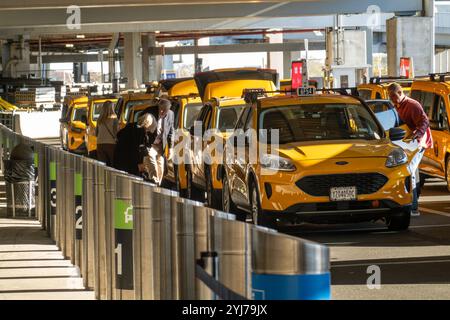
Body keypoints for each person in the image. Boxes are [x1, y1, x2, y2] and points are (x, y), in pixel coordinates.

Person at [388, 82, 433, 216]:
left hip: (418, 143)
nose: (392, 100)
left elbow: (425, 122)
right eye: (390, 98)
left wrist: (417, 134)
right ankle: (411, 200)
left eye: (393, 97)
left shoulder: (413, 105)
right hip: (406, 143)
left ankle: (413, 208)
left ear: (400, 93)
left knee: (410, 171)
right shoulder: (397, 106)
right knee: (409, 170)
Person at [147, 98, 174, 185]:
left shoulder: (170, 114)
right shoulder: (150, 112)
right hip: (150, 143)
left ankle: (158, 183)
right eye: (161, 110)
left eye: (164, 111)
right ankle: (154, 181)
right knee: (151, 160)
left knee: (161, 166)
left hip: (160, 144)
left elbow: (171, 132)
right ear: (158, 106)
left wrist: (170, 148)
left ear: (168, 110)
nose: (162, 112)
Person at [96, 100, 118, 166]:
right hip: (111, 144)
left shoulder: (99, 119)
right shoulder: (114, 118)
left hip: (100, 143)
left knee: (102, 164)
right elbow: (115, 132)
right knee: (113, 164)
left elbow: (96, 133)